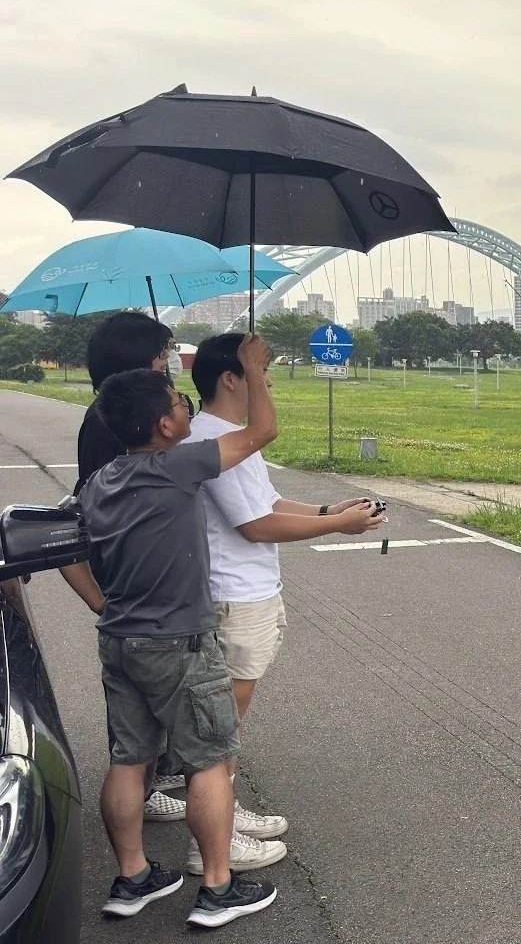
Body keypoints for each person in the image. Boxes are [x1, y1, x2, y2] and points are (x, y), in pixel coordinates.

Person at [79, 335, 280, 928]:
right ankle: (217, 888)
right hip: (182, 643)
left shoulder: (101, 482)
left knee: (129, 759)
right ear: (164, 426)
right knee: (209, 761)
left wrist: (102, 601)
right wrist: (253, 370)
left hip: (120, 639)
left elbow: (65, 549)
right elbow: (261, 432)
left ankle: (133, 877)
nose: (186, 411)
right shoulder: (178, 466)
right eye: (178, 404)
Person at [182, 333, 382, 872]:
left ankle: (225, 811)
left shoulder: (228, 438)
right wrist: (338, 525)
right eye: (262, 374)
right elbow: (255, 526)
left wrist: (325, 508)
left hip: (244, 595)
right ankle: (214, 849)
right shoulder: (216, 440)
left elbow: (264, 501)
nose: (268, 384)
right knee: (223, 726)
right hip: (235, 599)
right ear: (233, 378)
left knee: (226, 723)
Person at [64, 311, 190, 826]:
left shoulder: (103, 414)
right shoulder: (114, 426)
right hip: (135, 574)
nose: (168, 365)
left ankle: (146, 783)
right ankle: (149, 787)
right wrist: (100, 600)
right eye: (162, 357)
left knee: (133, 699)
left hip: (124, 575)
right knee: (147, 701)